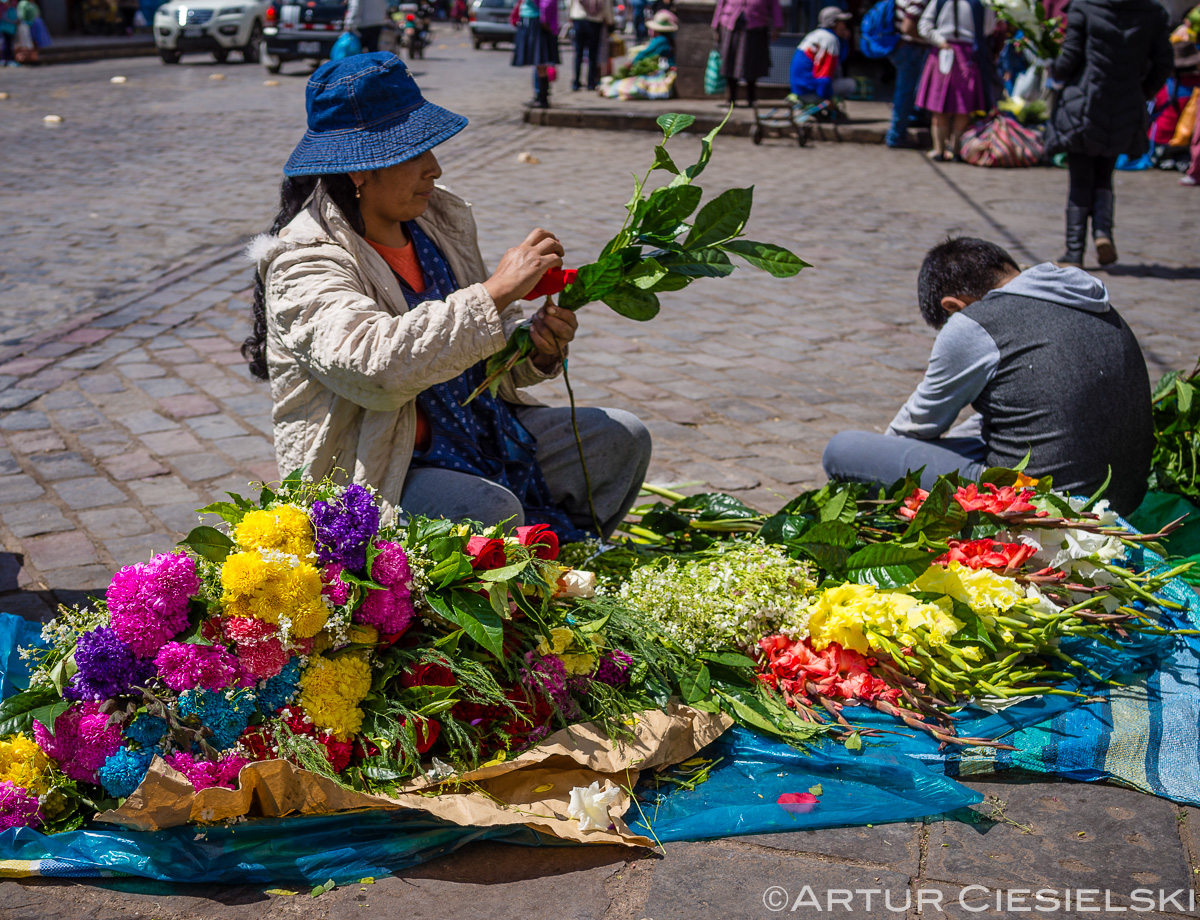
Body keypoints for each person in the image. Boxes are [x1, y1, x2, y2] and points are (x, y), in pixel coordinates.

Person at [244, 54, 652, 538]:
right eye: (414, 154)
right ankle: (512, 555)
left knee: (620, 437)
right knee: (486, 509)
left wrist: (534, 347)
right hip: (383, 470)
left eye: (431, 149)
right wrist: (495, 291)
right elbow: (377, 369)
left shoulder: (437, 222)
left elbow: (474, 353)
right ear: (358, 171)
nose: (434, 168)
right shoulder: (303, 260)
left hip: (481, 432)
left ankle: (568, 554)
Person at [822, 237, 1153, 515]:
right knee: (968, 433)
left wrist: (880, 462)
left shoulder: (976, 322)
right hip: (1124, 499)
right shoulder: (1089, 301)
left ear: (953, 306)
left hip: (1041, 503)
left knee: (843, 450)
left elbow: (918, 425)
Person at [1045, 0, 1172, 266]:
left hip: (1084, 103)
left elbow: (1070, 58)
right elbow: (1164, 63)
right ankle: (1103, 234)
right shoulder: (1152, 11)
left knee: (1080, 181)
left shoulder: (1084, 6)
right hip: (1125, 104)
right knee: (1104, 175)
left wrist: (1052, 65)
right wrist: (1141, 92)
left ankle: (1074, 251)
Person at [915, 0, 997, 161]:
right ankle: (956, 151)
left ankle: (939, 150)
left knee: (941, 105)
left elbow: (924, 26)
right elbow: (988, 28)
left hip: (943, 51)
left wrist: (939, 40)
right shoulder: (981, 3)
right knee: (963, 107)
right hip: (967, 54)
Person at [712, 0, 782, 108]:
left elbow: (775, 7)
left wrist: (777, 27)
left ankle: (751, 98)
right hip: (731, 27)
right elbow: (721, 4)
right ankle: (731, 98)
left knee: (753, 64)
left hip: (756, 29)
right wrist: (715, 27)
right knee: (730, 63)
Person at [885, 0, 929, 148]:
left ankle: (909, 121)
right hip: (910, 48)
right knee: (905, 93)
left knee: (908, 91)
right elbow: (907, 26)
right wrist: (931, 39)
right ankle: (896, 136)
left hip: (904, 47)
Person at [789, 6, 855, 100]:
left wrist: (844, 40)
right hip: (809, 92)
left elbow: (838, 60)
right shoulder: (830, 39)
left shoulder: (815, 34)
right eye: (841, 22)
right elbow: (824, 75)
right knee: (851, 84)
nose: (844, 26)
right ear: (833, 23)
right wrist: (826, 98)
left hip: (800, 89)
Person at [513, 0, 560, 108]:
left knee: (540, 62)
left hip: (537, 23)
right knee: (539, 63)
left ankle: (542, 98)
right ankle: (540, 96)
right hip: (534, 22)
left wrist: (544, 19)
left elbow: (548, 3)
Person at [570, 0, 614, 92]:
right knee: (592, 54)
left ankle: (576, 82)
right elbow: (607, 6)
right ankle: (591, 82)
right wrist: (610, 21)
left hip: (579, 19)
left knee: (578, 53)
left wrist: (571, 15)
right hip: (595, 21)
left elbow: (570, 3)